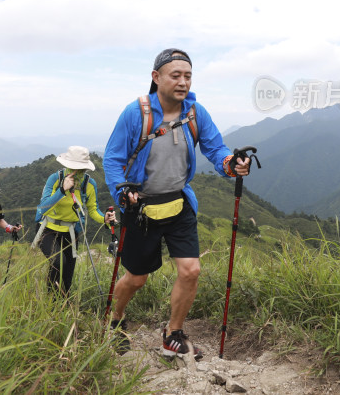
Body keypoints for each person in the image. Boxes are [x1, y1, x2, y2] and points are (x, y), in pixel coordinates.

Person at [103, 48, 250, 358]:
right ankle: (115, 321)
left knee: (190, 271)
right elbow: (113, 158)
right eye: (175, 75)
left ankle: (173, 334)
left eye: (188, 76)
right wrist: (121, 190)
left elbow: (216, 148)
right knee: (136, 278)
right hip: (140, 208)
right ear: (156, 78)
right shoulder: (136, 113)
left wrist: (230, 163)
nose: (183, 82)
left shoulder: (195, 112)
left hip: (180, 203)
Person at [32, 146, 116, 295]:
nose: (76, 173)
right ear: (66, 166)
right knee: (58, 262)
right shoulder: (55, 179)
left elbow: (93, 209)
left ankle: (64, 302)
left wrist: (105, 218)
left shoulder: (89, 184)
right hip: (47, 229)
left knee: (68, 275)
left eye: (81, 169)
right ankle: (53, 301)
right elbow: (44, 208)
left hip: (71, 231)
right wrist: (62, 191)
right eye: (72, 168)